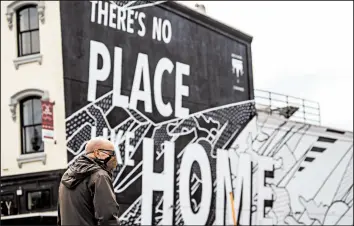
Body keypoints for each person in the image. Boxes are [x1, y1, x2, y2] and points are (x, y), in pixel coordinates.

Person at [57, 137, 120, 225]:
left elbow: (60, 217)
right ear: (97, 152)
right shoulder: (100, 176)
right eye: (111, 153)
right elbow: (107, 217)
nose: (114, 157)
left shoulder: (66, 176)